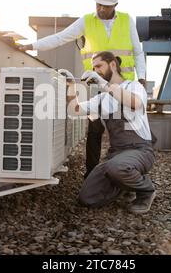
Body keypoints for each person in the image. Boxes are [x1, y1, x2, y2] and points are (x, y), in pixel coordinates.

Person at [18, 0, 147, 179]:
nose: (101, 9)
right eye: (98, 5)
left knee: (124, 132)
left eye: (106, 6)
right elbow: (60, 38)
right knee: (95, 129)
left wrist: (142, 80)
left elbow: (138, 52)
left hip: (122, 86)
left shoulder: (126, 20)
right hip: (96, 87)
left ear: (115, 5)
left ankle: (128, 176)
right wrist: (30, 46)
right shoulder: (86, 21)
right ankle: (91, 175)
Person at [66, 51, 156, 214]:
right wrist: (71, 85)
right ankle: (125, 185)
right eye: (94, 68)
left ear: (113, 65)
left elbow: (135, 103)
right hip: (116, 154)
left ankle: (146, 191)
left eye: (99, 66)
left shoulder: (134, 86)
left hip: (140, 150)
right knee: (87, 198)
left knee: (117, 167)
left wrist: (103, 84)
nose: (96, 70)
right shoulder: (102, 98)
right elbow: (75, 110)